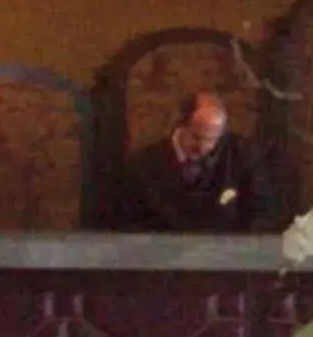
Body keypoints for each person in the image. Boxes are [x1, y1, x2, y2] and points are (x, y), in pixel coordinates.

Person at [117, 90, 272, 233]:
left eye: (211, 140)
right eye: (196, 137)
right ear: (180, 125)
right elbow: (130, 223)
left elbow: (260, 213)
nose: (202, 148)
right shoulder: (142, 164)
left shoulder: (242, 156)